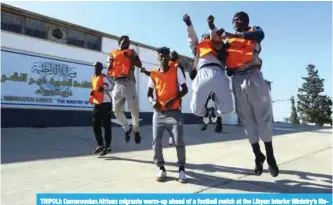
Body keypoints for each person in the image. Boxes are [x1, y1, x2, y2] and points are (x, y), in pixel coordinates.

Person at [212, 12, 279, 177]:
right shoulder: (229, 42)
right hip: (237, 79)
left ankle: (270, 156)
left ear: (246, 21)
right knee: (246, 118)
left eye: (239, 19)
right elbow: (221, 55)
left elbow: (261, 34)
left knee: (262, 117)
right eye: (233, 20)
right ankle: (258, 156)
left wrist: (235, 34)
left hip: (253, 75)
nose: (235, 21)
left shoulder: (253, 31)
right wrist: (217, 40)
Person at [182, 14, 233, 126]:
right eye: (204, 37)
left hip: (218, 73)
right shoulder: (198, 47)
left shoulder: (216, 44)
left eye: (207, 36)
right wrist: (189, 25)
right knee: (195, 110)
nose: (206, 38)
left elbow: (214, 36)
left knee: (228, 108)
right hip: (202, 74)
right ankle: (205, 113)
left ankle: (214, 113)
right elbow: (192, 38)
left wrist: (211, 26)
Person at [147, 47, 188, 183]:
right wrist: (153, 102)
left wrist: (174, 99)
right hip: (158, 114)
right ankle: (161, 168)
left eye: (166, 56)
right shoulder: (153, 74)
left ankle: (181, 169)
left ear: (169, 58)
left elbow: (185, 89)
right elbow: (149, 94)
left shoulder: (176, 69)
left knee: (179, 141)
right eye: (161, 56)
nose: (163, 59)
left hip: (174, 113)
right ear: (158, 58)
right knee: (156, 142)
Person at [141, 50, 187, 147]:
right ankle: (172, 136)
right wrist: (145, 72)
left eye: (174, 55)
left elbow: (183, 82)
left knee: (175, 119)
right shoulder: (166, 64)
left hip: (176, 94)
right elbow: (155, 75)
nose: (172, 57)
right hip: (163, 100)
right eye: (172, 55)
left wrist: (176, 96)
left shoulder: (178, 67)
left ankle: (173, 136)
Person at [107, 35, 143, 144]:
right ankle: (127, 129)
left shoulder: (132, 52)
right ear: (120, 42)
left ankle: (136, 131)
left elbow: (140, 64)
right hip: (117, 83)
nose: (127, 43)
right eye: (125, 41)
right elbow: (109, 67)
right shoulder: (112, 53)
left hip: (129, 83)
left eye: (129, 42)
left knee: (134, 110)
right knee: (116, 110)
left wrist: (130, 57)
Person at [89, 61, 114, 156]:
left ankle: (107, 146)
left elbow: (113, 86)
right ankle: (100, 145)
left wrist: (104, 90)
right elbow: (96, 89)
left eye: (98, 67)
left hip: (106, 103)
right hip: (97, 103)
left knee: (106, 125)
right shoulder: (93, 78)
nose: (96, 68)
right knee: (95, 124)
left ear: (101, 68)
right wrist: (93, 92)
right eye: (94, 67)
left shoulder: (105, 77)